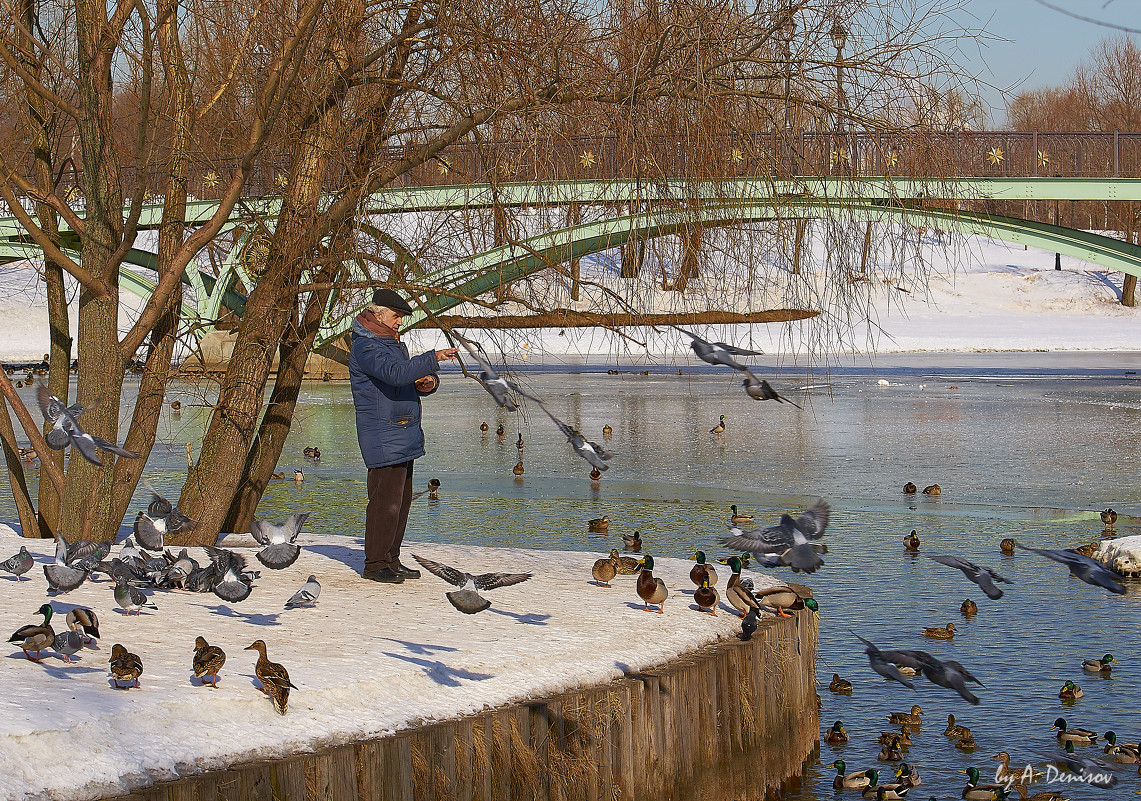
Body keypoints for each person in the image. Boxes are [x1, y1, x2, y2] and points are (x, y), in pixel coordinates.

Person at [349, 288, 457, 583]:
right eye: (396, 316)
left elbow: (403, 377)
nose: (399, 322)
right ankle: (375, 564)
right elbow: (396, 374)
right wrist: (431, 358)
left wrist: (427, 381)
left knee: (402, 501)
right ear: (379, 313)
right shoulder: (366, 347)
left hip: (400, 430)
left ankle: (391, 559)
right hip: (383, 433)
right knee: (385, 502)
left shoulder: (389, 344)